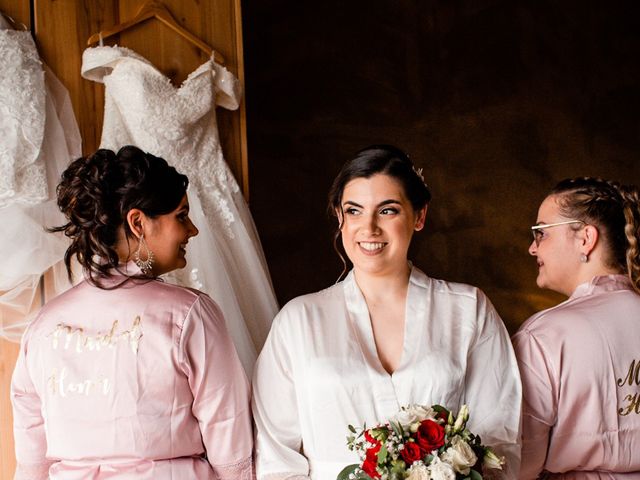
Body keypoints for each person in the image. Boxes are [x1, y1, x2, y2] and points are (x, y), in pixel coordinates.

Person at [252, 145, 522, 480]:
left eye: (388, 211)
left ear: (419, 216)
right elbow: (276, 454)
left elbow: (499, 437)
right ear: (339, 217)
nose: (369, 228)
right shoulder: (299, 320)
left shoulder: (468, 309)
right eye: (354, 211)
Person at [11, 146, 253, 479]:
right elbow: (228, 430)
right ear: (138, 222)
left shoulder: (43, 325)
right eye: (181, 216)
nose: (192, 230)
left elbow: (31, 457)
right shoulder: (189, 315)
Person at [513, 177, 640, 479]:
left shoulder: (545, 336)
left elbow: (519, 463)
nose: (532, 248)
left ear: (585, 238)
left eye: (541, 233)